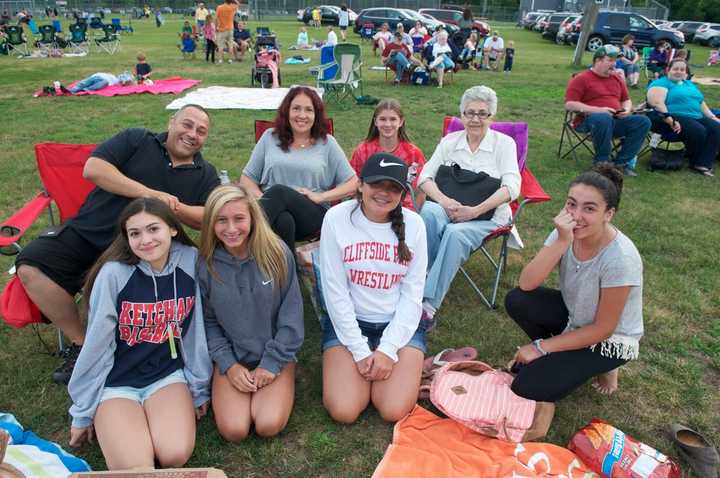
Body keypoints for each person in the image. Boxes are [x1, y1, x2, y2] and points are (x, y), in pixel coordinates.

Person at [15, 105, 220, 385]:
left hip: (141, 251)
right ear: (171, 122)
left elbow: (209, 216)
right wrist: (147, 193)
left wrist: (173, 205)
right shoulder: (137, 140)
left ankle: (130, 345)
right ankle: (82, 344)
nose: (192, 134)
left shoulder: (204, 173)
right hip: (87, 232)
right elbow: (94, 168)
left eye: (201, 131)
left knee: (117, 281)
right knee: (31, 265)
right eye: (187, 124)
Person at [67, 198, 212, 469]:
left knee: (174, 455)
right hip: (116, 383)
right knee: (136, 468)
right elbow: (97, 345)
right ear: (126, 238)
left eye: (153, 229)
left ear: (172, 229)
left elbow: (195, 331)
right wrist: (83, 412)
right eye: (135, 233)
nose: (145, 240)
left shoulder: (190, 262)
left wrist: (198, 388)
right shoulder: (114, 275)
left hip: (166, 376)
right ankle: (114, 422)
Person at [505, 164, 643, 401]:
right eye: (571, 204)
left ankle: (605, 366)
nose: (576, 216)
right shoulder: (566, 231)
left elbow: (603, 328)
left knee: (525, 386)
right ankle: (560, 354)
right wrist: (561, 242)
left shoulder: (621, 259)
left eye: (589, 208)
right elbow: (527, 284)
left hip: (610, 339)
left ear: (608, 214)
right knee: (517, 300)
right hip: (575, 315)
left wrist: (540, 347)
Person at [319, 153, 428, 424]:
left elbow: (413, 295)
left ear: (403, 193)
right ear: (360, 184)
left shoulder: (414, 225)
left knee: (393, 410)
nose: (384, 193)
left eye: (393, 188)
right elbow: (335, 292)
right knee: (344, 411)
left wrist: (388, 350)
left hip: (398, 324)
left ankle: (410, 365)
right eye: (376, 184)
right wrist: (359, 350)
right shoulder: (336, 218)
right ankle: (378, 372)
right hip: (350, 322)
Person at [198, 185, 304, 441]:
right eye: (221, 220)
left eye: (239, 218)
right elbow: (208, 322)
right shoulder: (206, 263)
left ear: (253, 219)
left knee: (267, 424)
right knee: (234, 430)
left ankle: (282, 373)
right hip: (233, 357)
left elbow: (291, 317)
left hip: (274, 355)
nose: (231, 228)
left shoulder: (277, 254)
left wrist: (271, 364)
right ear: (211, 223)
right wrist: (229, 365)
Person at [417, 86, 520, 326]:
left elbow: (513, 187)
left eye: (482, 113)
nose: (475, 119)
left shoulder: (504, 144)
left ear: (491, 117)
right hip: (450, 208)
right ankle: (421, 280)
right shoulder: (450, 141)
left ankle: (428, 306)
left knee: (454, 233)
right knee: (430, 212)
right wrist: (443, 201)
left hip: (487, 217)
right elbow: (424, 177)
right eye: (469, 113)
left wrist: (474, 211)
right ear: (461, 115)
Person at [239, 86, 357, 253]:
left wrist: (321, 196)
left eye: (308, 110)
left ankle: (242, 244)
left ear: (316, 115)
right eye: (296, 108)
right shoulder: (269, 137)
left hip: (311, 213)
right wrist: (265, 198)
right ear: (287, 111)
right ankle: (289, 275)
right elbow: (247, 179)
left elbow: (353, 183)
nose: (302, 115)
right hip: (272, 211)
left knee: (279, 192)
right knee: (284, 221)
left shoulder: (327, 143)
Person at [564, 44, 651, 176]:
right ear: (598, 60)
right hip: (588, 122)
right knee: (602, 118)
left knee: (643, 121)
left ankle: (620, 163)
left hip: (616, 120)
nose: (614, 64)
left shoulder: (616, 78)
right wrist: (599, 110)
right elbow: (569, 104)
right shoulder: (581, 78)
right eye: (610, 60)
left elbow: (626, 100)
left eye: (615, 61)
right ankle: (602, 162)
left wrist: (626, 110)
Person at [647, 58, 720, 177]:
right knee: (698, 130)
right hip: (670, 117)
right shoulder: (661, 83)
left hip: (695, 116)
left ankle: (703, 163)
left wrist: (713, 117)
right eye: (675, 69)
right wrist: (670, 119)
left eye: (682, 69)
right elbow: (657, 103)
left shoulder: (688, 84)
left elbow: (700, 102)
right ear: (668, 70)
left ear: (686, 72)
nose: (679, 71)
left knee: (716, 128)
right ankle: (694, 160)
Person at [350, 99, 426, 212]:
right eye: (382, 119)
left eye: (393, 119)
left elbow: (421, 190)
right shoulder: (363, 151)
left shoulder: (413, 153)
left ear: (401, 122)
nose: (387, 124)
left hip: (403, 211)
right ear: (375, 121)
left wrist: (413, 215)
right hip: (371, 209)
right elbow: (354, 185)